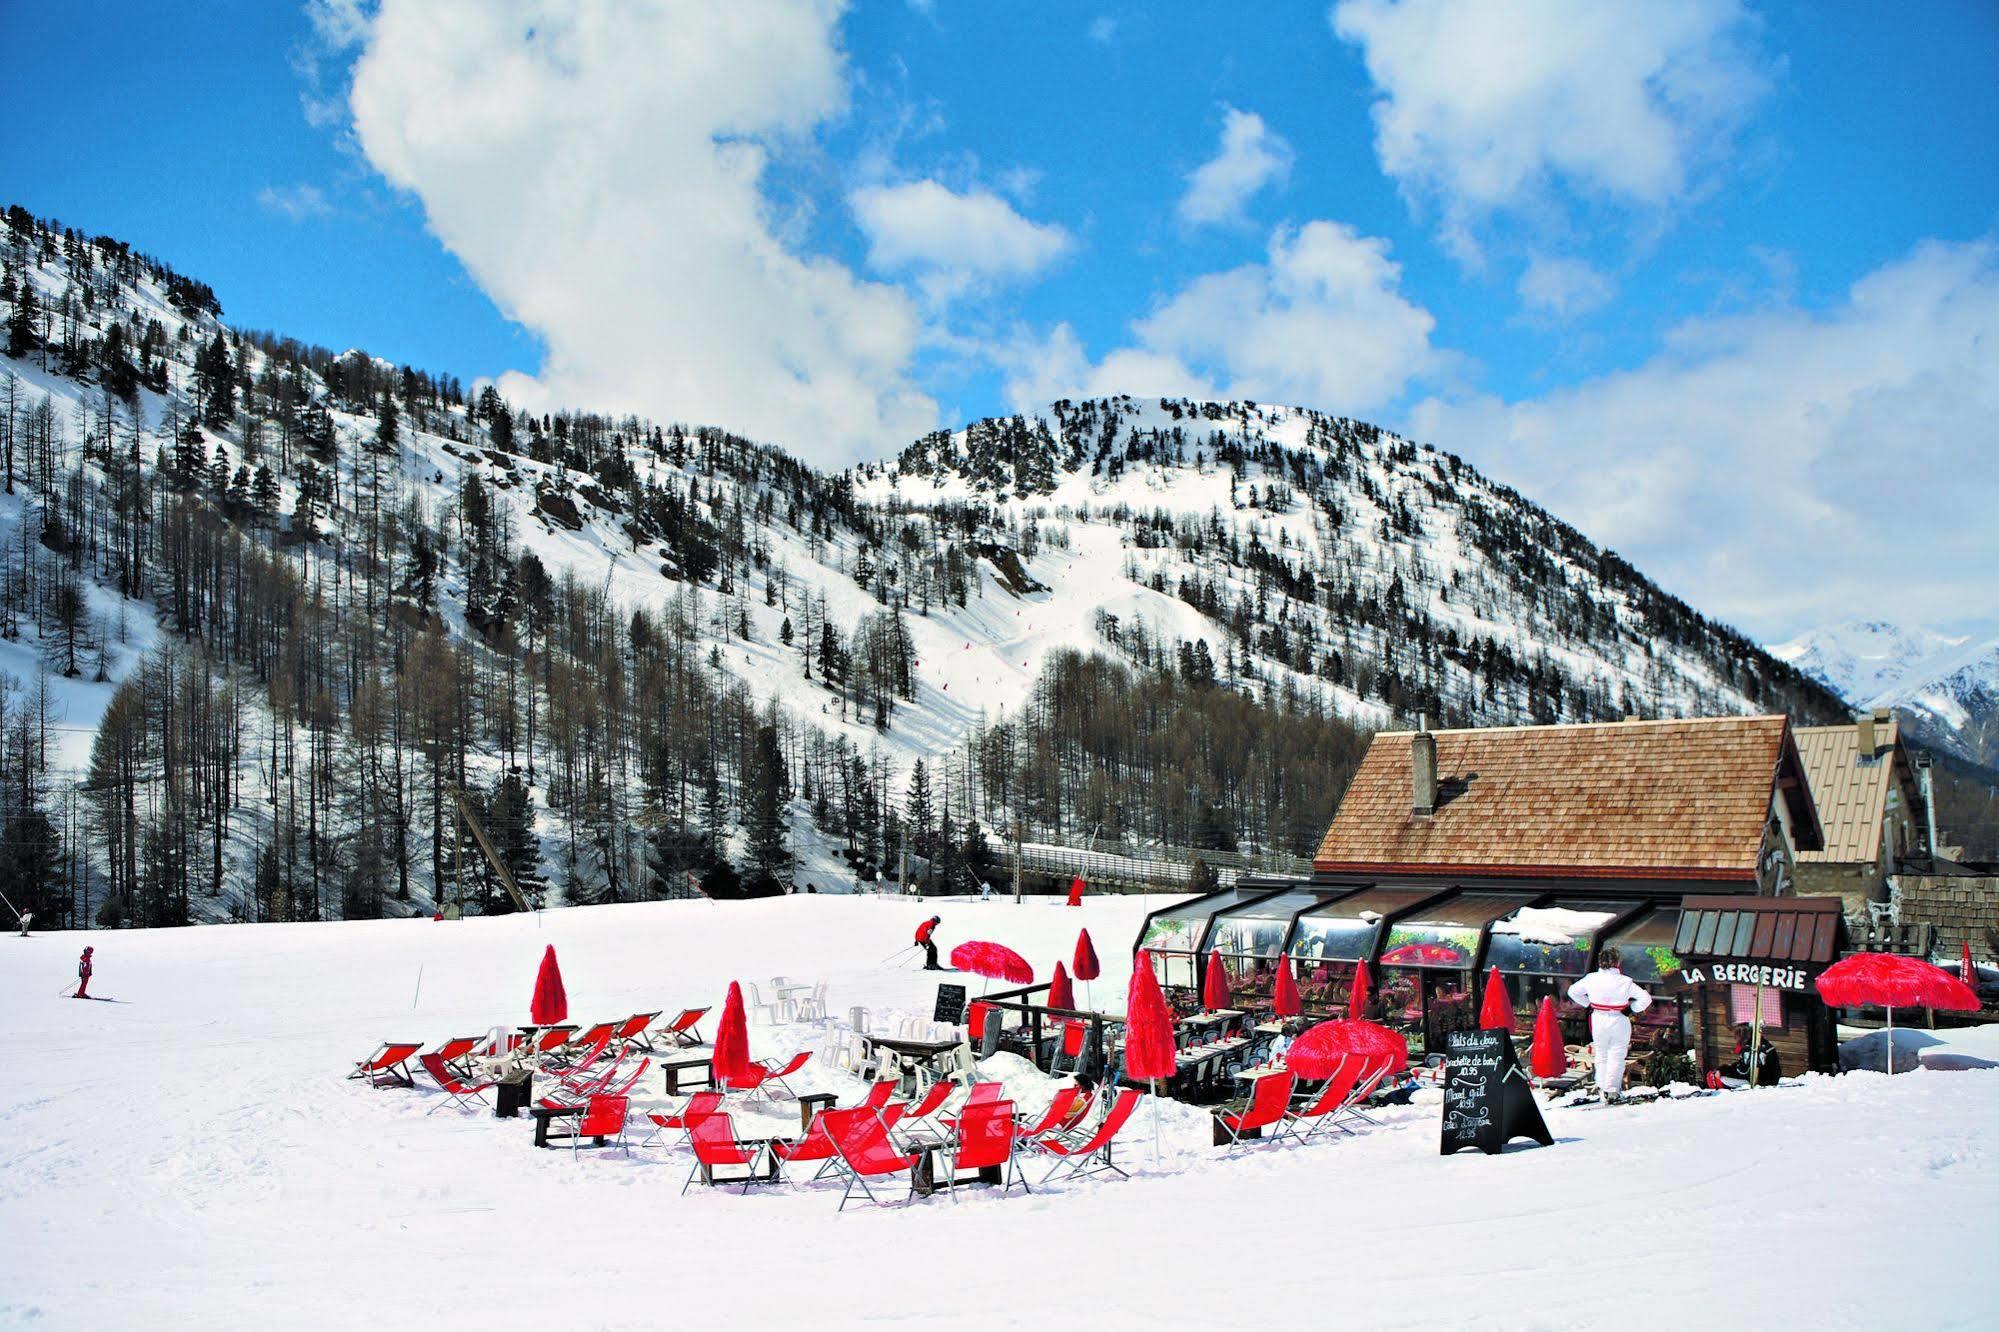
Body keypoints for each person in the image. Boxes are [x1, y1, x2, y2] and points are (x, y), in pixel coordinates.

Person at [1567, 946, 1651, 1100]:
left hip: (1598, 1018)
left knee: (1601, 1054)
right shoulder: (1625, 982)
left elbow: (1572, 991)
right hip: (1618, 1018)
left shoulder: (1591, 979)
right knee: (1617, 1055)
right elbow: (1646, 998)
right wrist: (1633, 1008)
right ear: (1617, 962)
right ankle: (1611, 1089)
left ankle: (1601, 1085)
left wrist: (1588, 1004)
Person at [1728, 1023, 1781, 1087]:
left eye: (1736, 1036)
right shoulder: (1759, 1044)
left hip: (1765, 1081)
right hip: (1769, 1079)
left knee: (1724, 1078)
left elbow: (1744, 1069)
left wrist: (1728, 1070)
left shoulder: (1754, 1048)